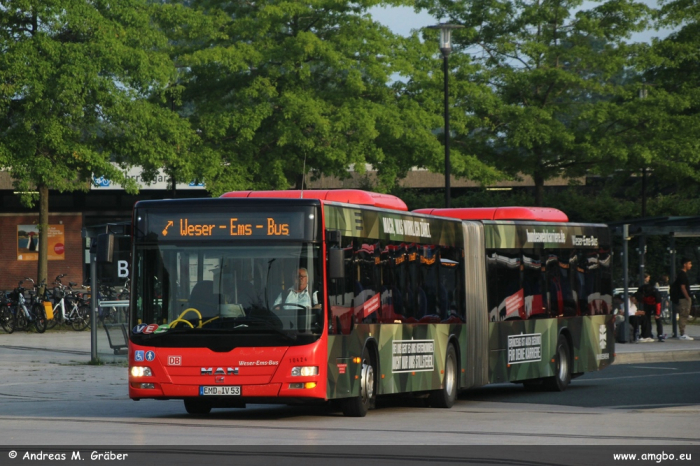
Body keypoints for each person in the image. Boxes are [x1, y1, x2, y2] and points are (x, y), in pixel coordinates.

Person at [637, 273, 664, 342]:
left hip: (654, 304)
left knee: (658, 319)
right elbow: (639, 299)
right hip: (647, 304)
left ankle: (660, 334)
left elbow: (658, 303)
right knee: (646, 319)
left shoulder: (655, 292)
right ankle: (648, 333)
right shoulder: (641, 289)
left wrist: (657, 313)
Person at [673, 258, 694, 341]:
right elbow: (683, 287)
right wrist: (687, 297)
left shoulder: (682, 274)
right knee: (683, 315)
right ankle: (682, 333)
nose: (691, 265)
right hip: (683, 298)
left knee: (684, 315)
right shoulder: (682, 275)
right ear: (684, 264)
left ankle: (683, 333)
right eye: (689, 264)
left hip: (682, 298)